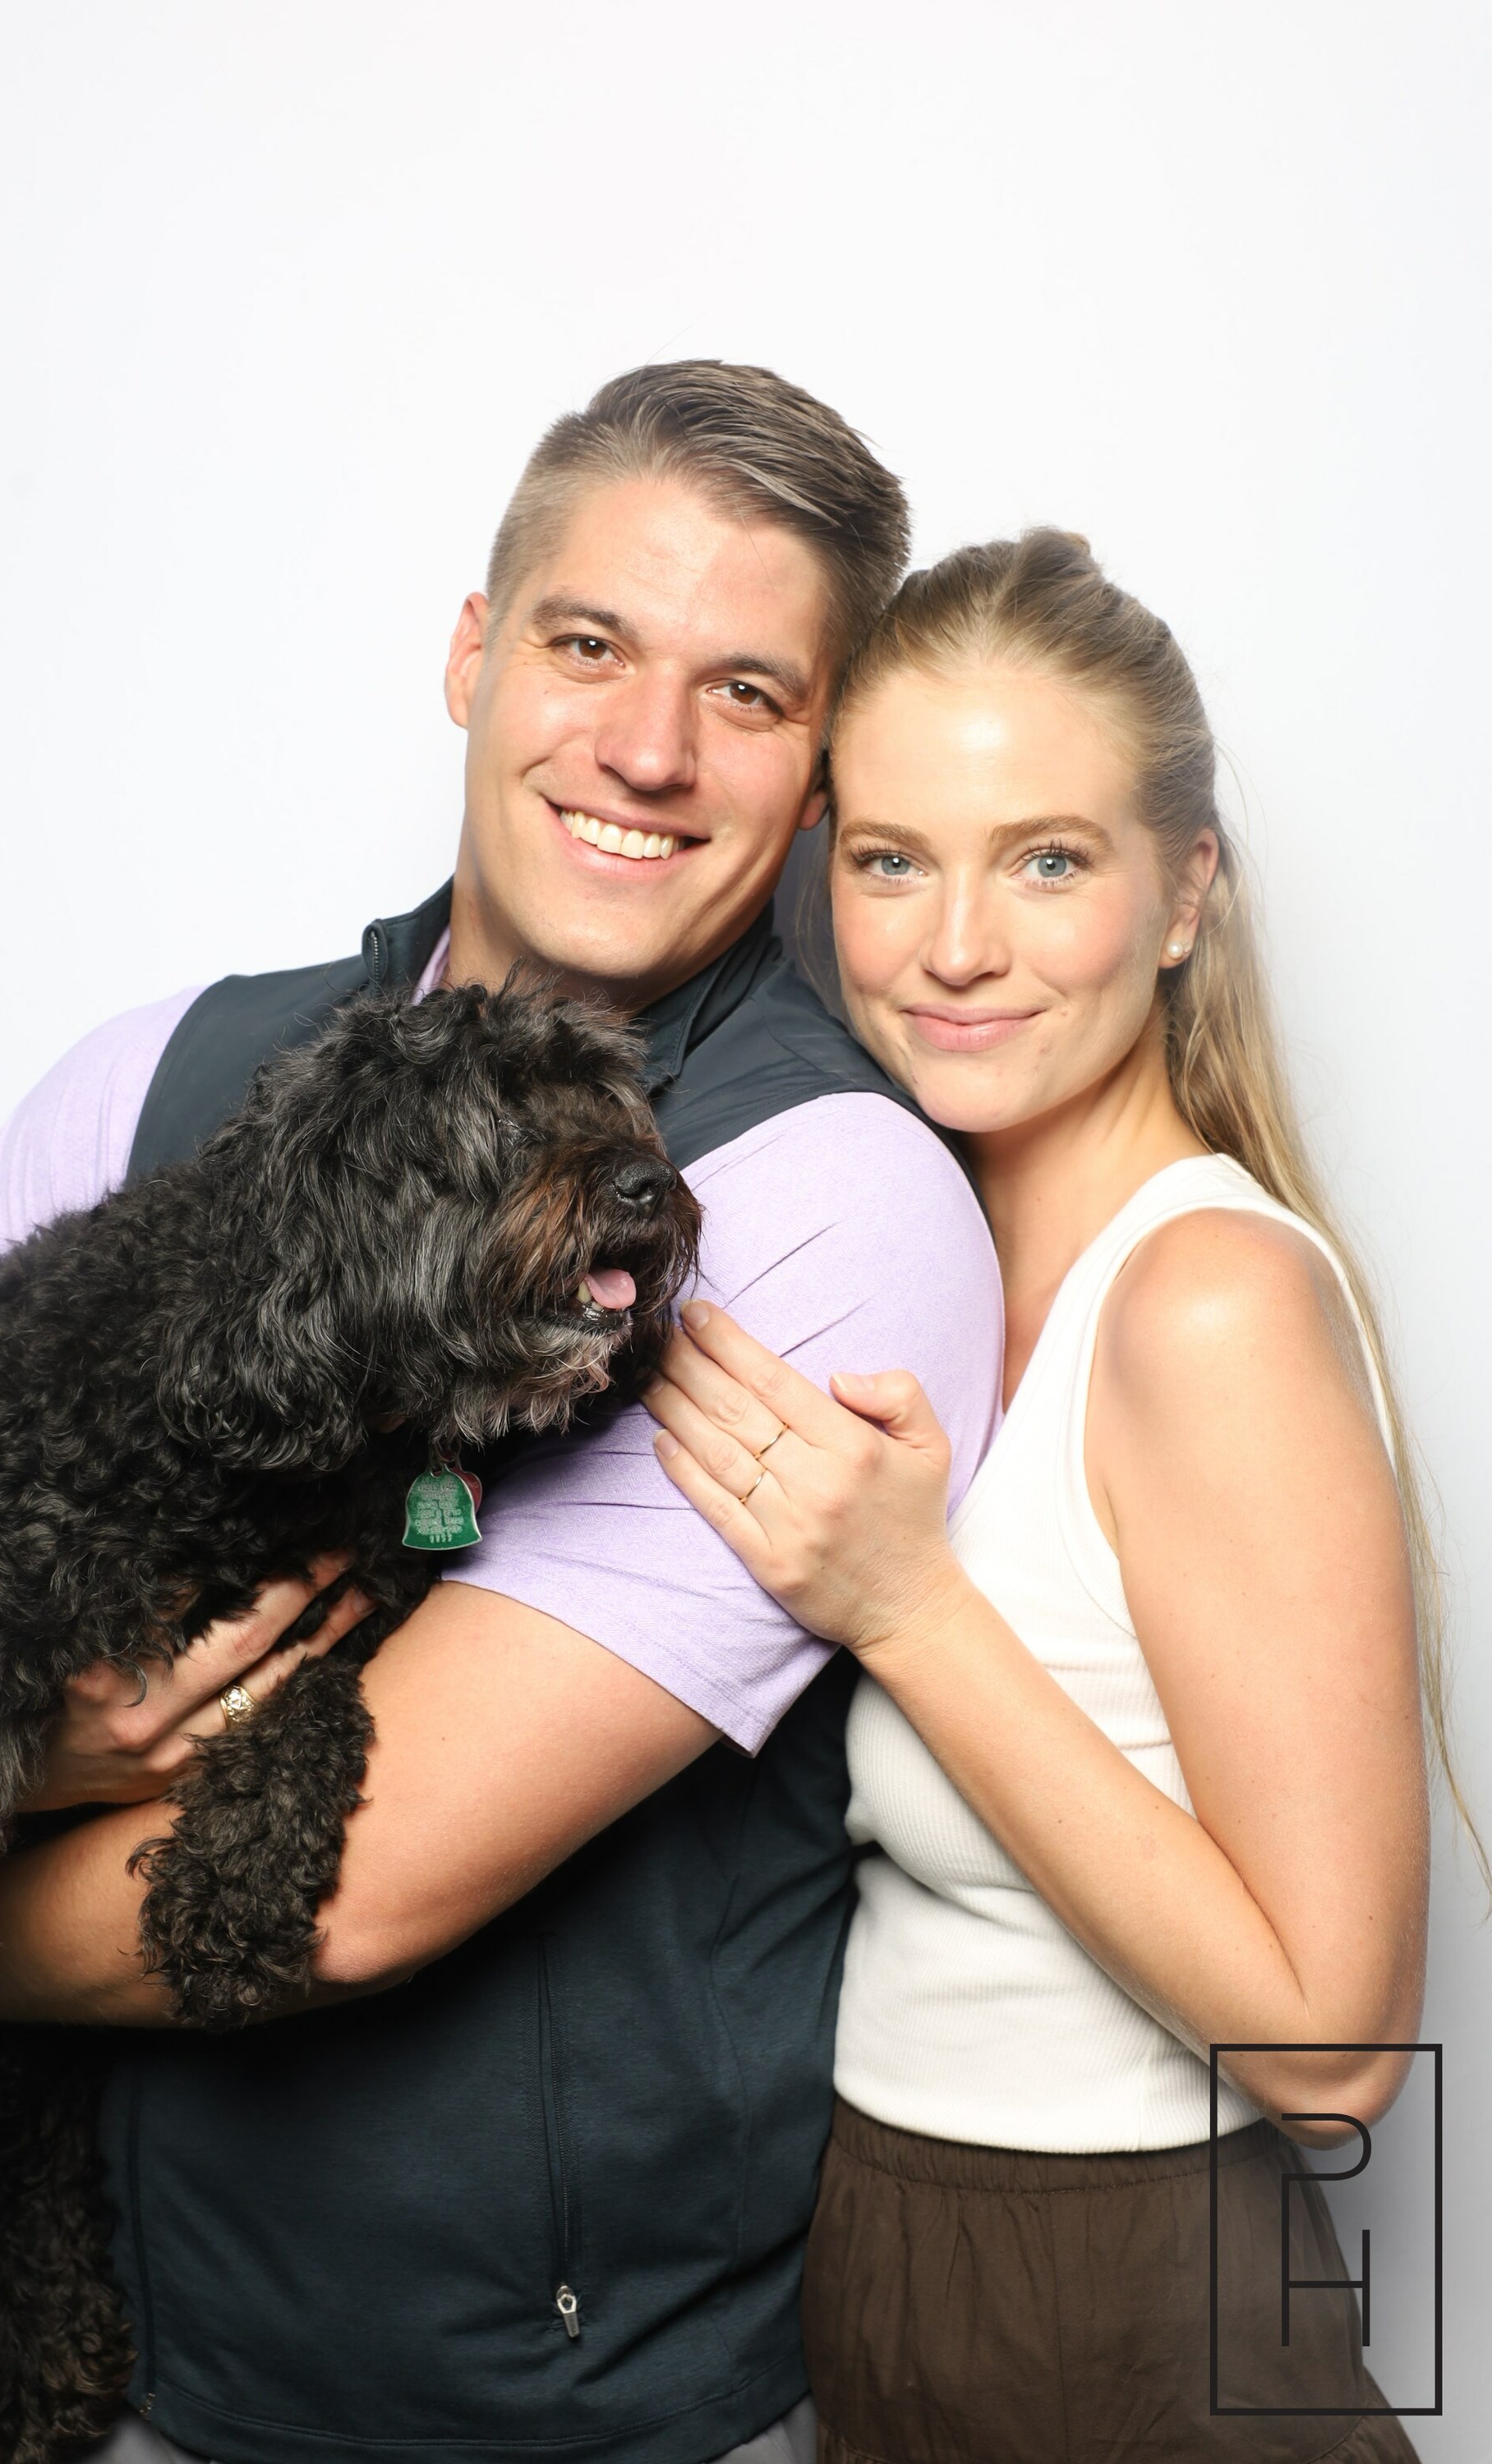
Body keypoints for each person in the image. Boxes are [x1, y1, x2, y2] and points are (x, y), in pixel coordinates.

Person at [0, 365, 1003, 2464]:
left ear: (821, 770)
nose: (646, 750)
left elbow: (353, 1886)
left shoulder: (819, 1200)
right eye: (589, 644)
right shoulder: (153, 1080)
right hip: (102, 2367)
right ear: (474, 654)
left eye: (746, 694)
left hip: (537, 2411)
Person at [645, 529, 1476, 2462]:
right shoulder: (902, 1260)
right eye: (890, 861)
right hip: (887, 2261)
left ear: (1182, 893)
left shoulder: (1206, 1301)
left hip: (1137, 2293)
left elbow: (1335, 2052)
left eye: (1045, 861)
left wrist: (909, 1608)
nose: (954, 946)